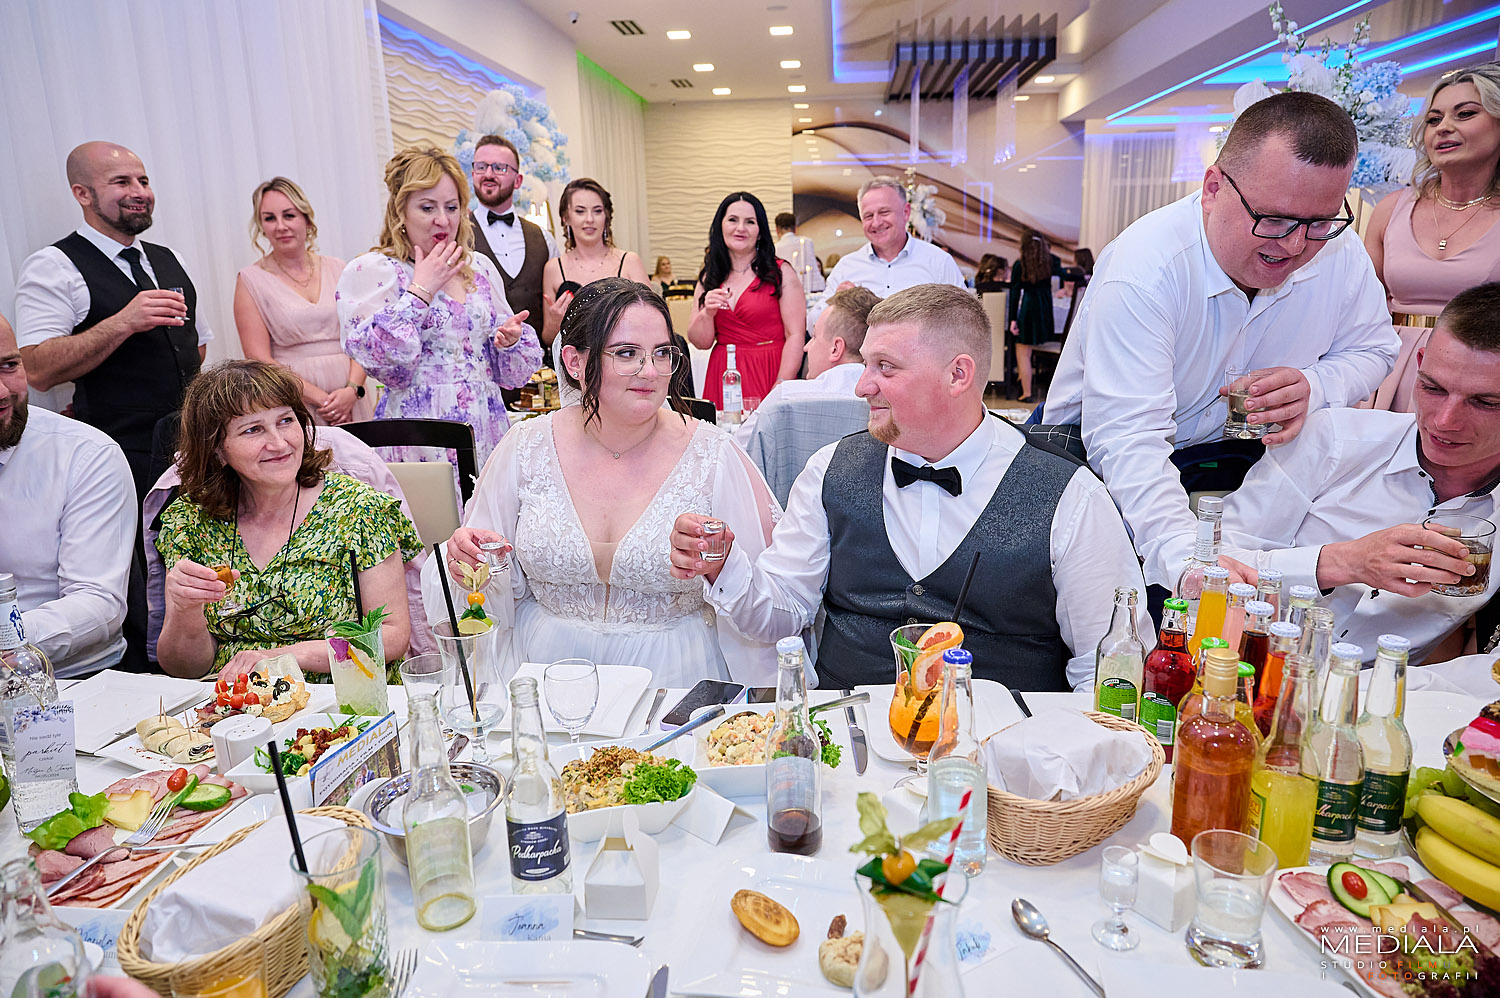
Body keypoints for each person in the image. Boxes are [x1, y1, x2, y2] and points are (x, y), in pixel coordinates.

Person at [670, 284, 1149, 692]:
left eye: (885, 367)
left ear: (958, 375)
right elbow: (783, 611)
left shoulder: (1070, 495)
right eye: (866, 365)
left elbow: (1109, 670)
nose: (862, 386)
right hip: (847, 740)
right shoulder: (829, 470)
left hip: (1000, 749)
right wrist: (725, 566)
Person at [1044, 91, 1399, 594]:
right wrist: (1186, 556)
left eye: (1319, 223)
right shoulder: (1146, 269)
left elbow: (1375, 348)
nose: (1295, 245)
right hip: (1101, 468)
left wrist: (1316, 385)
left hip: (1245, 470)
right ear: (1213, 188)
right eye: (1273, 219)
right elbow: (1128, 439)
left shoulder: (1338, 251)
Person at [429, 278, 780, 685]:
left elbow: (773, 606)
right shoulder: (526, 448)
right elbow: (484, 577)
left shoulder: (713, 455)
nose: (650, 371)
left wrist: (721, 567)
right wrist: (469, 559)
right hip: (546, 676)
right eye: (627, 353)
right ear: (574, 362)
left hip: (674, 679)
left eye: (662, 353)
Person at [1220, 283, 1500, 665]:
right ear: (1418, 363)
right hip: (1242, 667)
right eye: (1432, 388)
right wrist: (1342, 562)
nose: (1444, 421)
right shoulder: (1333, 439)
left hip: (1388, 695)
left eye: (1485, 402)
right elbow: (1207, 564)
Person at [154, 361, 421, 681]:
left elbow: (391, 636)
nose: (280, 443)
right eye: (253, 430)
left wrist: (289, 656)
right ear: (217, 449)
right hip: (234, 701)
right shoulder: (190, 521)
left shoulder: (358, 510)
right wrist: (184, 610)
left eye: (285, 421)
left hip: (341, 695)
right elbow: (184, 669)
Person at [14, 141, 210, 498]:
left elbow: (195, 346)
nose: (140, 192)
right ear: (83, 194)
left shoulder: (171, 258)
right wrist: (123, 322)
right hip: (119, 454)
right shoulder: (53, 266)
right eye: (122, 182)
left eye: (143, 181)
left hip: (195, 445)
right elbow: (36, 370)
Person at [338, 146, 542, 469]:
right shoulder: (376, 272)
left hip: (486, 428)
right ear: (400, 212)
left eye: (451, 207)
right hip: (421, 435)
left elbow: (510, 375)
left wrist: (509, 341)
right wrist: (421, 290)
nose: (442, 220)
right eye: (427, 207)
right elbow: (389, 367)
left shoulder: (479, 268)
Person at [0, 313, 134, 678]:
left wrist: (9, 638)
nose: (3, 392)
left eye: (9, 366)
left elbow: (98, 603)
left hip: (68, 680)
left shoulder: (85, 455)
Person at [1364, 62, 1500, 412]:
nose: (1444, 128)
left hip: (1482, 383)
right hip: (1389, 372)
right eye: (1434, 119)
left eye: (1465, 114)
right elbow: (1358, 312)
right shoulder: (1390, 209)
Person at [234, 177, 371, 427]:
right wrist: (323, 400)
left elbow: (362, 336)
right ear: (261, 226)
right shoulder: (250, 280)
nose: (281, 226)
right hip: (295, 400)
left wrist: (352, 390)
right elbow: (258, 357)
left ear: (306, 219)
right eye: (270, 218)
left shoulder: (339, 268)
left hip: (351, 398)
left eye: (289, 215)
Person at [740, 286, 880, 505]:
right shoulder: (887, 404)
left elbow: (738, 457)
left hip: (783, 519)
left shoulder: (785, 398)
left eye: (814, 337)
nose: (806, 347)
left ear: (836, 349)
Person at [688, 192, 807, 409]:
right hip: (723, 371)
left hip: (768, 368)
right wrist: (707, 313)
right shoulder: (710, 276)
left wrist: (782, 383)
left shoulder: (781, 272)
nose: (740, 228)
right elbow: (700, 343)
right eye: (733, 220)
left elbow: (796, 335)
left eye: (750, 222)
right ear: (720, 226)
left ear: (760, 231)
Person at [540, 178, 651, 351]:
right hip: (572, 364)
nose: (589, 219)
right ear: (565, 218)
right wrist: (555, 321)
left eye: (597, 211)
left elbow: (652, 322)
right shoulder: (554, 268)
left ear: (606, 217)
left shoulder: (629, 262)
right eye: (580, 211)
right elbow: (548, 338)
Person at [467, 134, 556, 348]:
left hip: (537, 363)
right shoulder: (456, 237)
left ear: (518, 181)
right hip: (479, 362)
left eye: (500, 168)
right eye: (481, 167)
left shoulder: (544, 239)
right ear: (473, 174)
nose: (489, 174)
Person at [825, 177, 965, 296]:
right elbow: (819, 316)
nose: (876, 223)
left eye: (884, 212)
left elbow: (965, 315)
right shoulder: (845, 268)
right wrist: (836, 304)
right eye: (868, 216)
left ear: (906, 212)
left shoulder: (939, 263)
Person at [1008, 227, 1057, 403]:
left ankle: (1027, 392)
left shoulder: (1020, 265)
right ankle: (1025, 383)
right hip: (1046, 309)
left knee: (1022, 350)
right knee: (1027, 350)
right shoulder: (1052, 262)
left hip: (1029, 309)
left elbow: (1014, 294)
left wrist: (1012, 319)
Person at [774, 210, 825, 293]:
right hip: (814, 288)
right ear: (795, 228)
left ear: (777, 230)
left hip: (787, 290)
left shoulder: (776, 247)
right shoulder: (807, 242)